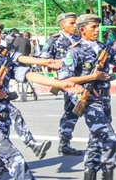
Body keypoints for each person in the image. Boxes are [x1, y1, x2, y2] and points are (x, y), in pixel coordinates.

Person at [0, 17, 83, 179]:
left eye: (0, 33)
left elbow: (26, 73)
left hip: (4, 119)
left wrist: (61, 83)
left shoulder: (2, 58)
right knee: (15, 160)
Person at [60, 14, 116, 180]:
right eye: (93, 27)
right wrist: (92, 77)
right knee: (108, 138)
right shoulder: (75, 51)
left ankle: (90, 174)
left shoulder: (104, 48)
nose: (97, 30)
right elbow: (65, 79)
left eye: (97, 27)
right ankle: (107, 175)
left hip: (104, 99)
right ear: (82, 30)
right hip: (87, 99)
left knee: (95, 139)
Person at [40, 12, 83, 156]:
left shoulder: (78, 39)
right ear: (62, 25)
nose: (74, 25)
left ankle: (64, 143)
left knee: (72, 111)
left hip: (79, 79)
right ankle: (104, 136)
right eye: (71, 23)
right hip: (65, 81)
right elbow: (45, 60)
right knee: (86, 105)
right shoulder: (54, 40)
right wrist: (56, 65)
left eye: (75, 22)